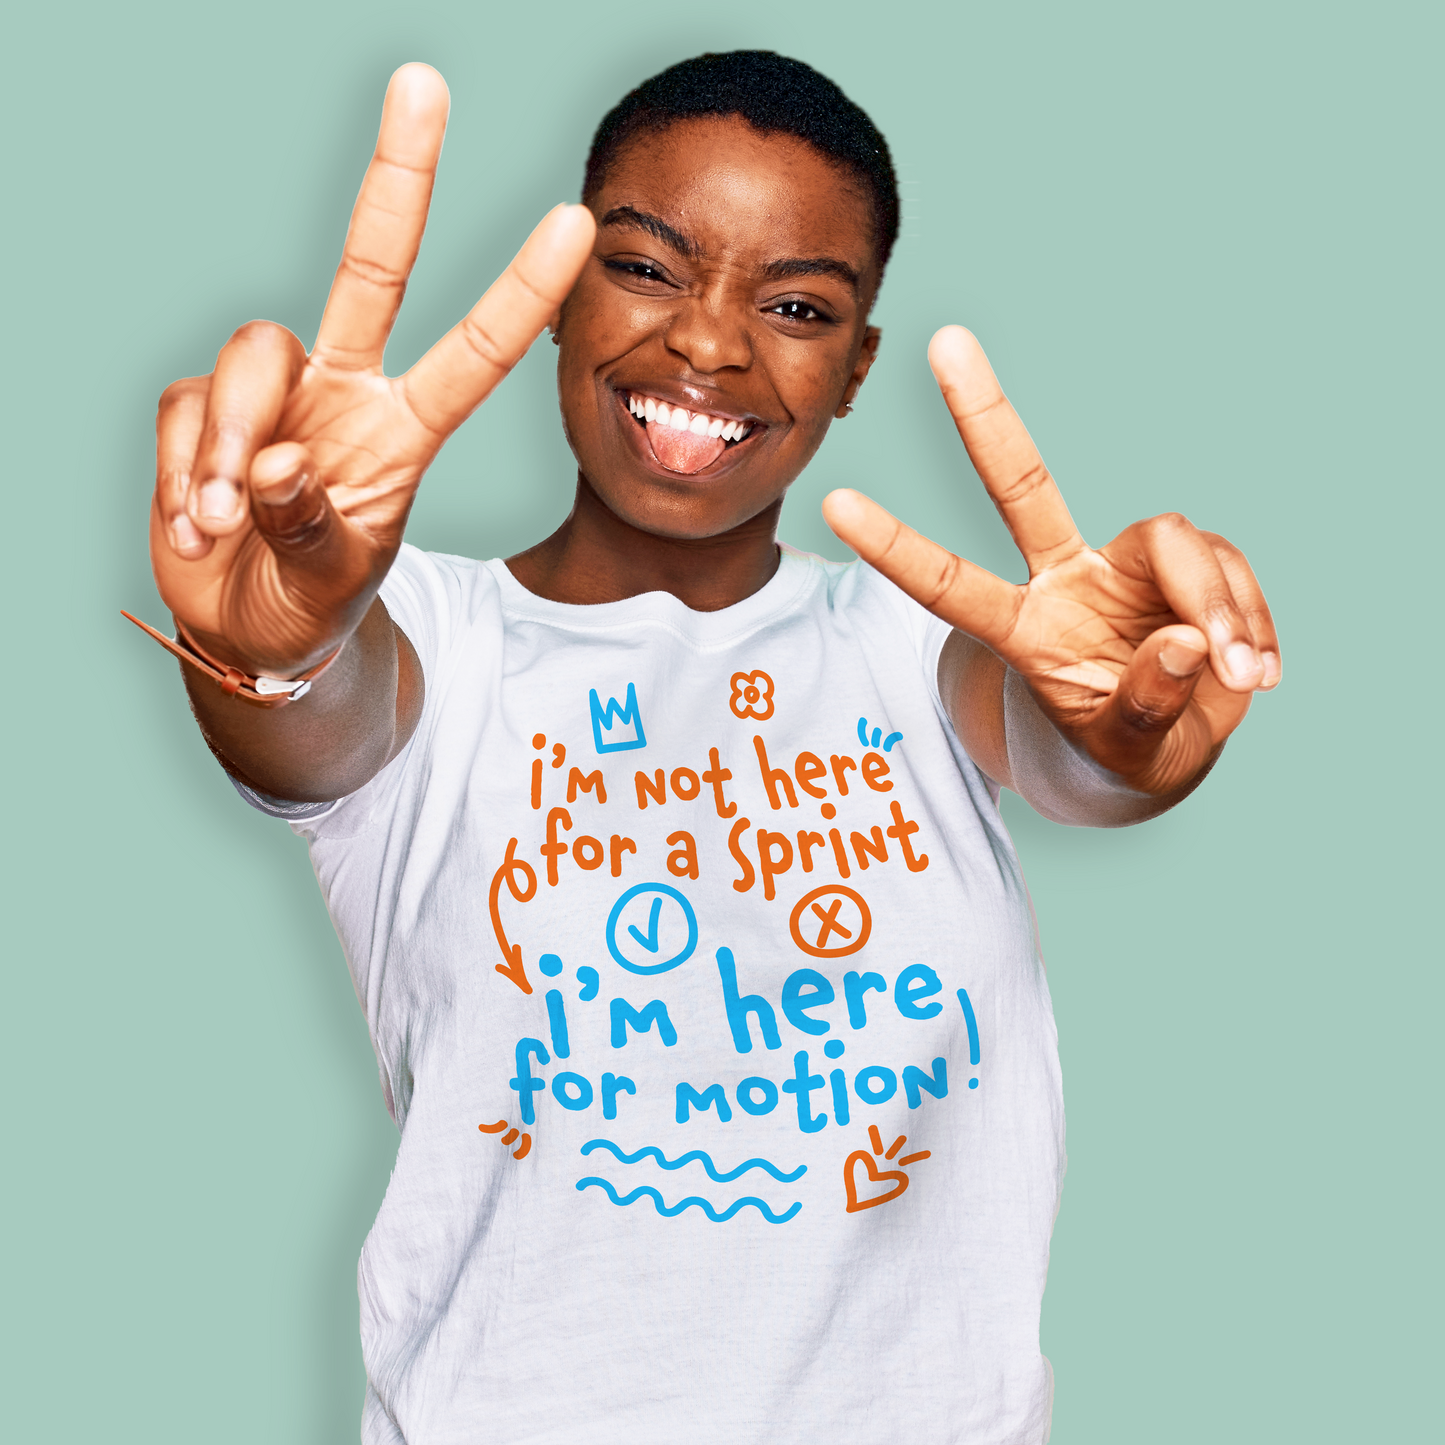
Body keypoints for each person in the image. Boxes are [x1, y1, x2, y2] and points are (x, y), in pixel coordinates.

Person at [135, 51, 1279, 1444]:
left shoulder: (912, 646)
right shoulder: (430, 636)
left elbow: (1069, 749)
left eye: (797, 305)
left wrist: (1129, 731)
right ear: (559, 300)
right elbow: (313, 719)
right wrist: (281, 636)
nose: (710, 346)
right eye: (649, 267)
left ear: (853, 371)